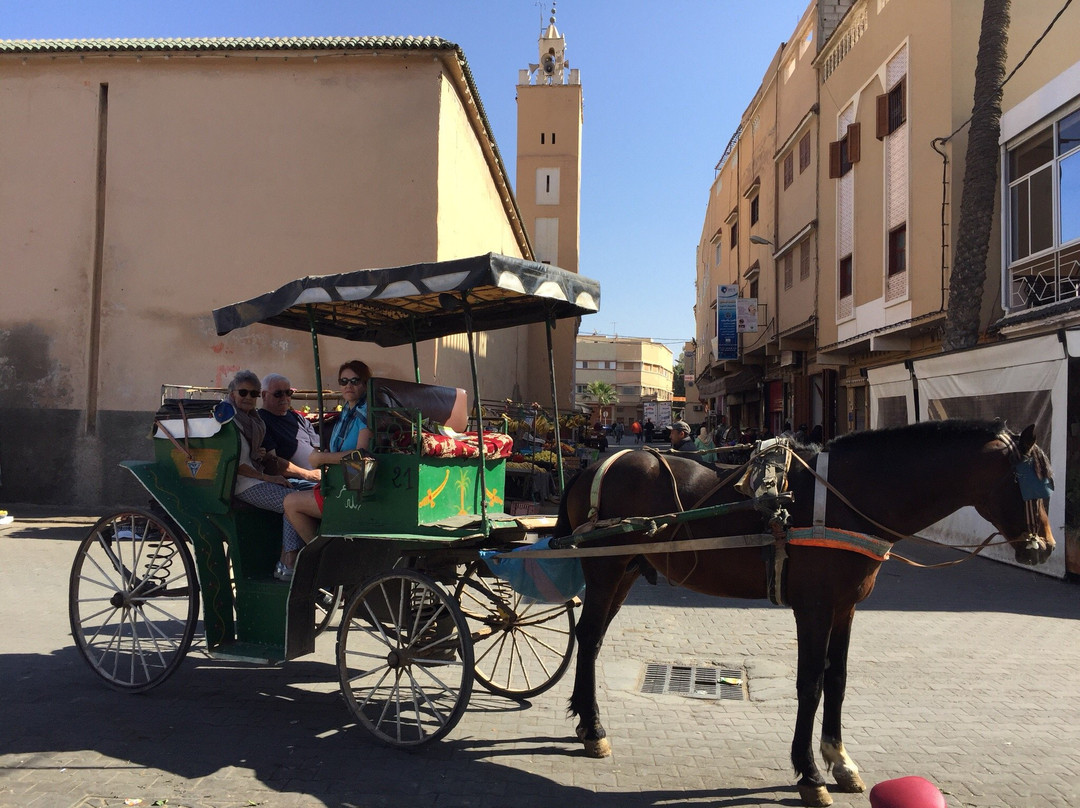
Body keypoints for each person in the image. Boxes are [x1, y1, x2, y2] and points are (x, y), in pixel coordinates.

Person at [283, 360, 373, 553]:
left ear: (365, 384)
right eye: (343, 381)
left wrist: (322, 459)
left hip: (351, 487)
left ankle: (323, 555)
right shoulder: (348, 411)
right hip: (338, 481)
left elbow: (361, 454)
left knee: (290, 503)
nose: (348, 385)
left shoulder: (366, 413)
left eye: (355, 381)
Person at [226, 369, 305, 581]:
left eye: (253, 393)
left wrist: (260, 456)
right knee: (293, 502)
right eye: (243, 393)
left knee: (301, 494)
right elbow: (235, 464)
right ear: (233, 393)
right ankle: (287, 561)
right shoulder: (229, 421)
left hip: (255, 478)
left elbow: (249, 456)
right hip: (243, 484)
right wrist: (269, 478)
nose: (248, 398)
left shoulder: (253, 421)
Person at [258, 373, 320, 485]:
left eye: (288, 393)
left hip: (320, 475)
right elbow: (273, 462)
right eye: (278, 394)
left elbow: (318, 446)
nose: (285, 398)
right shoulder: (261, 421)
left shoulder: (298, 418)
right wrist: (308, 474)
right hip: (294, 482)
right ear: (264, 395)